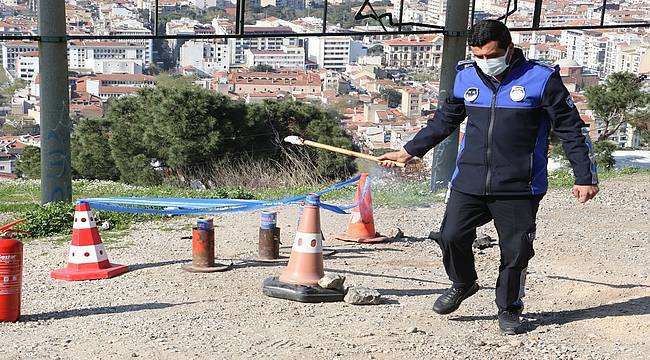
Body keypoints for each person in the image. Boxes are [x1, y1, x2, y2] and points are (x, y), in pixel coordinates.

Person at [378, 20, 599, 335]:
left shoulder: (541, 79)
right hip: (469, 179)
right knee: (451, 235)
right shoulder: (466, 75)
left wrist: (584, 175)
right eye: (478, 56)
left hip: (519, 186)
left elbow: (571, 129)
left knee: (516, 250)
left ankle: (509, 308)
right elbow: (445, 120)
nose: (485, 63)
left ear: (509, 49)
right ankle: (463, 283)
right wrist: (409, 151)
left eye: (491, 55)